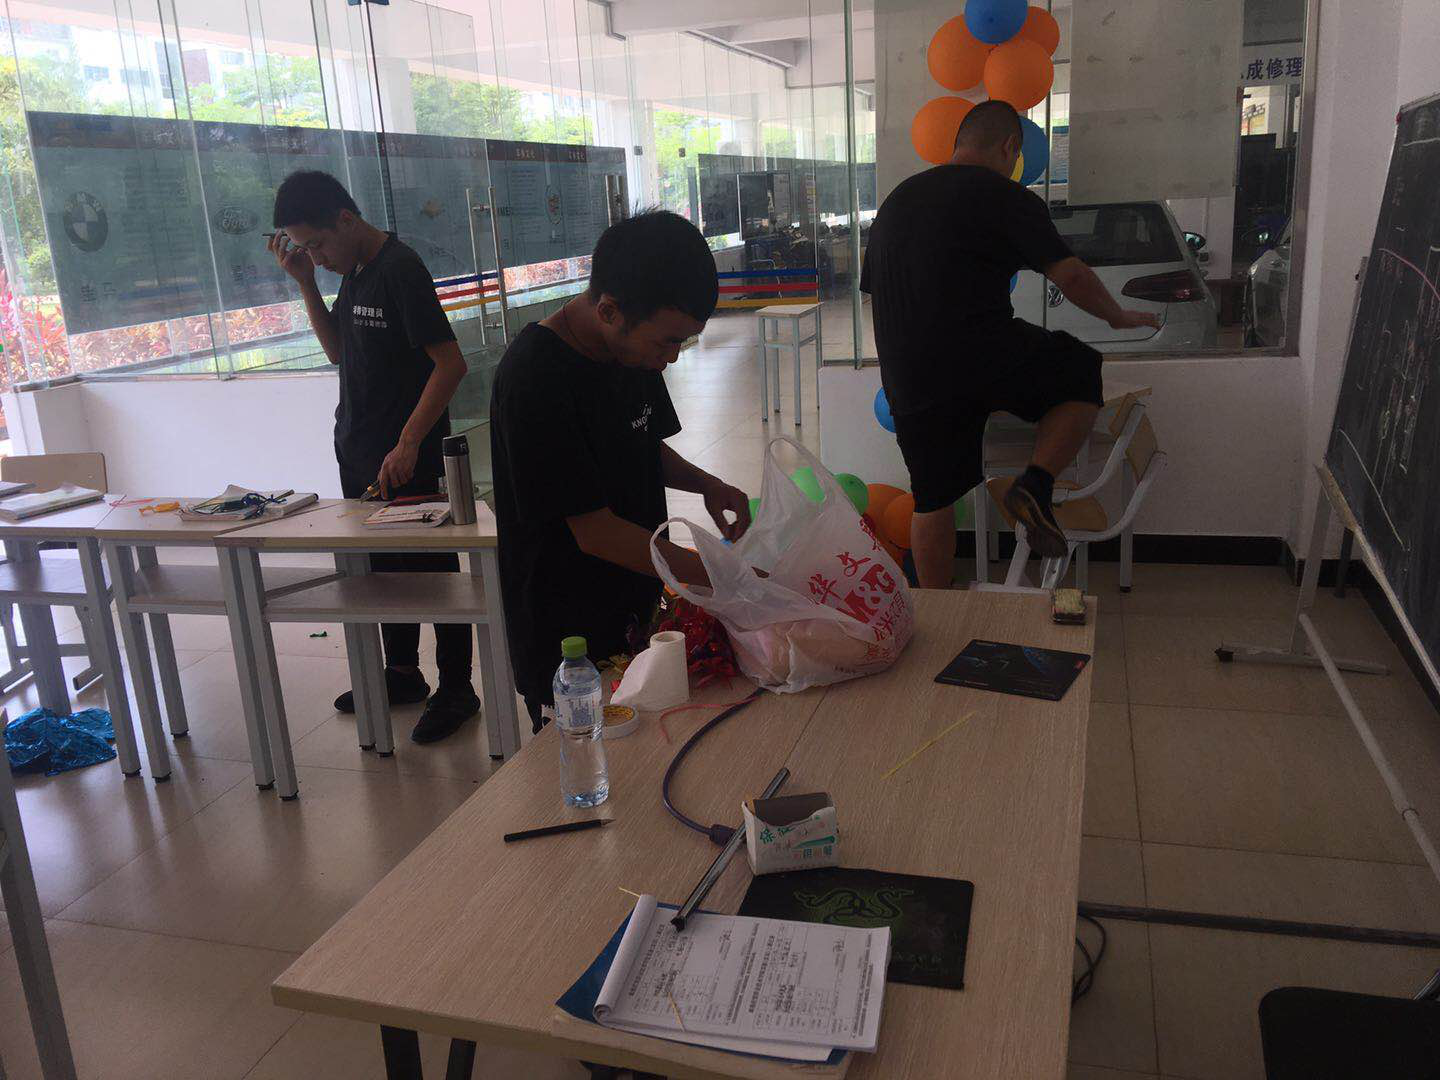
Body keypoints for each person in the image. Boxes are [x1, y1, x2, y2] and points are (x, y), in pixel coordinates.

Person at [860, 100, 1160, 587]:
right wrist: (1117, 316)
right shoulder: (1003, 195)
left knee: (932, 499)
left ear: (958, 143)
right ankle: (1034, 486)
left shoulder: (897, 201)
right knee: (1081, 366)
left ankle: (937, 611)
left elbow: (878, 293)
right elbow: (1072, 276)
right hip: (980, 354)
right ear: (1010, 147)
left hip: (907, 375)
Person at [489, 210, 752, 733]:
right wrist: (725, 574)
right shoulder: (535, 378)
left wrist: (707, 484)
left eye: (682, 342)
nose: (671, 358)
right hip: (569, 638)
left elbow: (640, 441)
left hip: (634, 605)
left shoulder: (632, 351)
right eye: (666, 342)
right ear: (609, 310)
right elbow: (596, 533)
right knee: (590, 759)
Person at [269, 170, 481, 744]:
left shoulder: (400, 269)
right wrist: (306, 283)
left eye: (317, 245)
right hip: (362, 454)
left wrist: (409, 442)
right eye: (307, 250)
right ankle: (403, 674)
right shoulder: (354, 273)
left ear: (345, 219)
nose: (317, 257)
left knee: (432, 571)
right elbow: (339, 351)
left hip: (407, 456)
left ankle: (457, 687)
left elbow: (450, 364)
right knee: (382, 571)